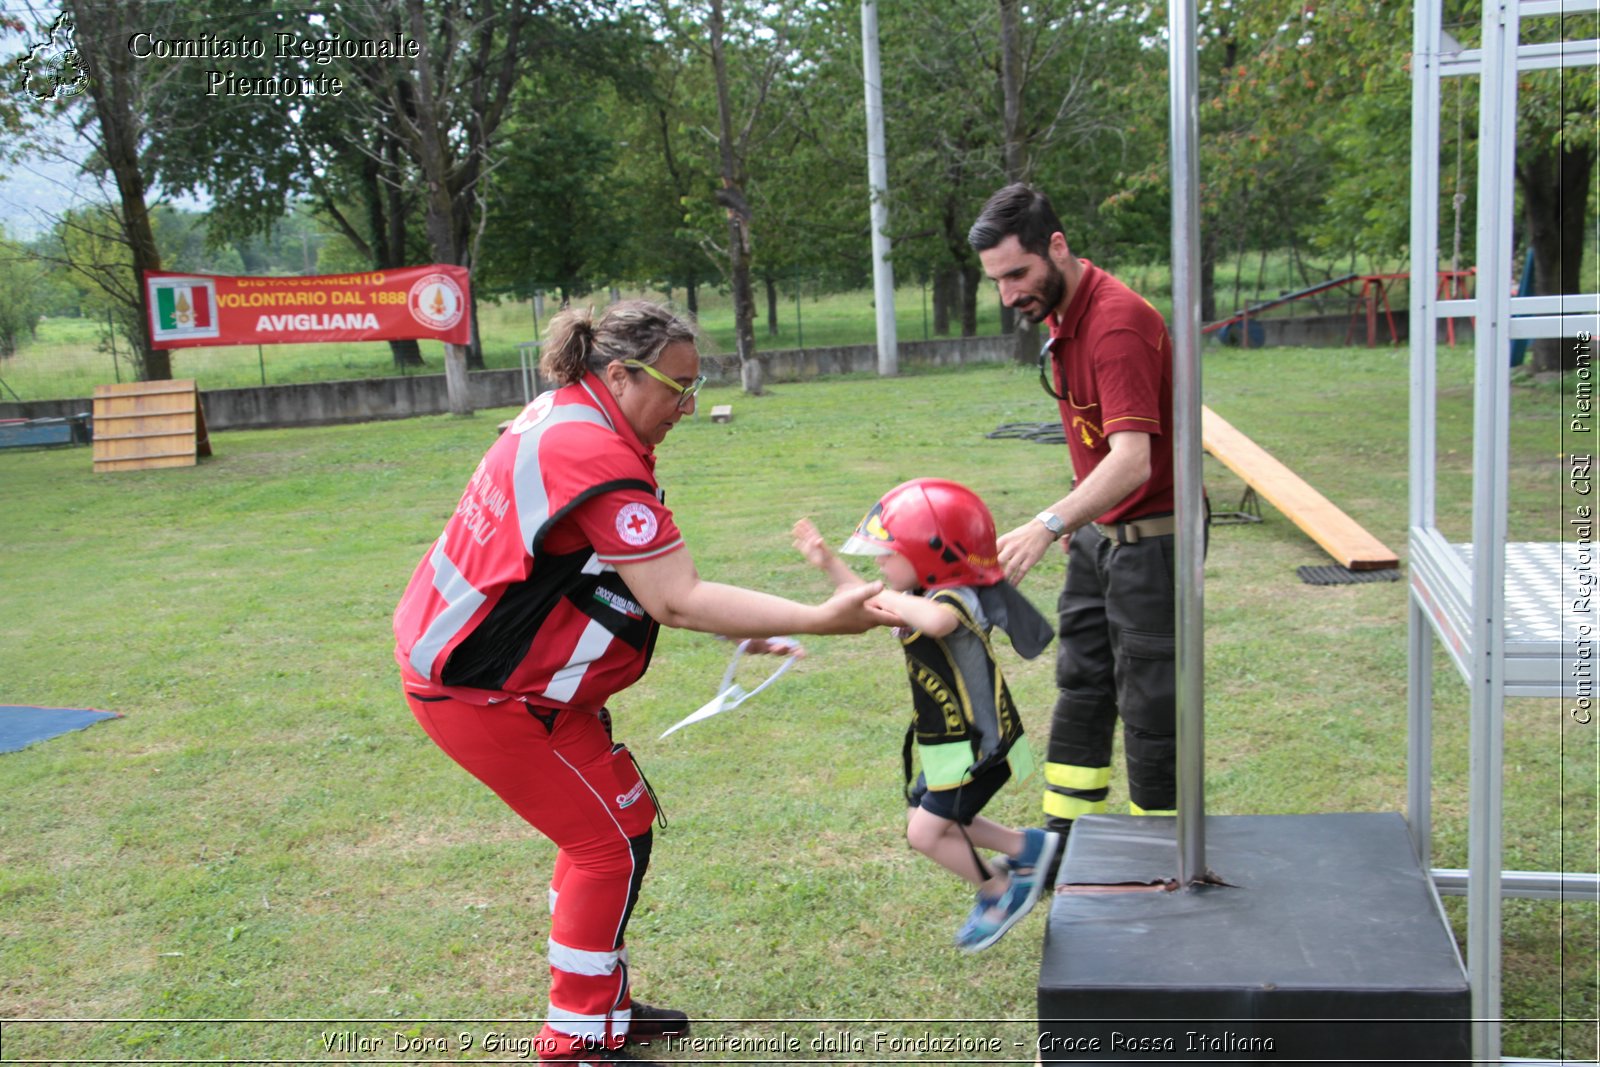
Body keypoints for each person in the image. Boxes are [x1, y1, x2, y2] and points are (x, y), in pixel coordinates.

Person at [392, 300, 893, 1067]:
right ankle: (578, 1040)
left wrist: (737, 625)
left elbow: (604, 570)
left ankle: (603, 1006)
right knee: (606, 846)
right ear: (619, 374)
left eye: (696, 388)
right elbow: (673, 595)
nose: (688, 408)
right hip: (486, 691)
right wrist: (825, 616)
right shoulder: (589, 448)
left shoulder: (563, 414)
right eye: (677, 386)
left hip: (516, 682)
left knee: (615, 827)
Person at [968, 183, 1187, 860]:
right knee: (1082, 688)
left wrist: (1049, 524)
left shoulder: (1116, 322)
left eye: (1017, 274)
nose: (1008, 295)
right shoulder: (1064, 314)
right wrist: (1078, 527)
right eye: (996, 281)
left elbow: (1133, 462)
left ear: (1056, 247)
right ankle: (1066, 847)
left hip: (1152, 542)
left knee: (1150, 707)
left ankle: (1159, 852)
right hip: (1101, 540)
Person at [792, 478, 1059, 952]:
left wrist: (887, 595)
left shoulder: (953, 598)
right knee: (927, 813)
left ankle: (1000, 891)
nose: (878, 564)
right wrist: (829, 563)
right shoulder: (919, 593)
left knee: (925, 833)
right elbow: (871, 601)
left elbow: (937, 621)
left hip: (982, 741)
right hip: (950, 742)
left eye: (886, 553)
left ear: (929, 552)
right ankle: (1027, 848)